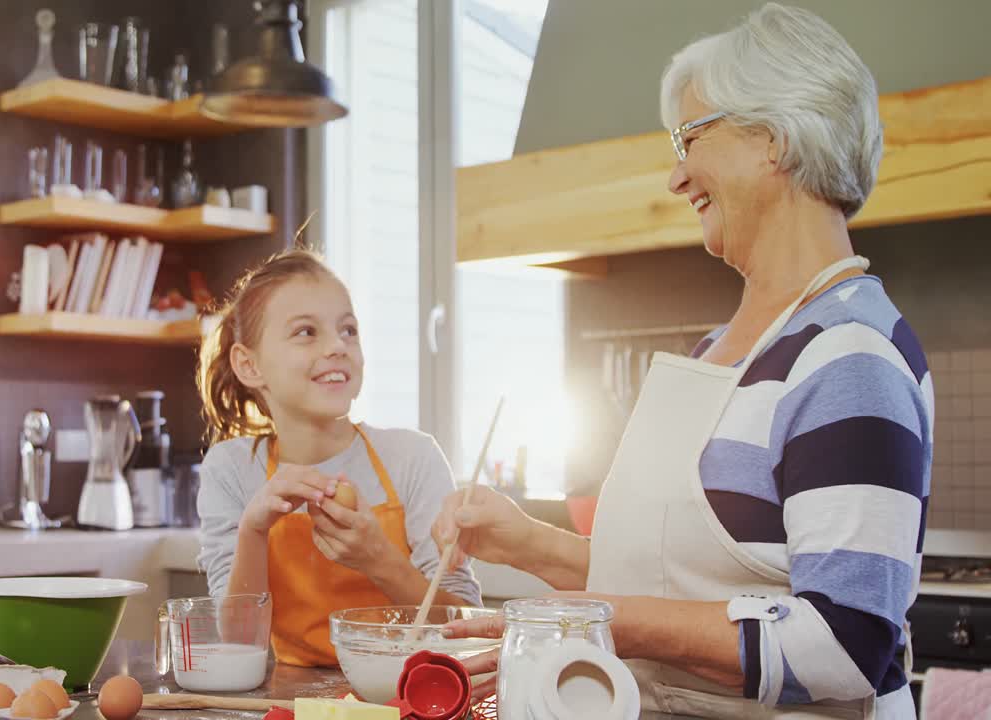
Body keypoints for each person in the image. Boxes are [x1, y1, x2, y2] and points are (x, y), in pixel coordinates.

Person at [434, 4, 930, 718]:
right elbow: (679, 584)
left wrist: (598, 620)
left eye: (689, 137)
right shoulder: (724, 349)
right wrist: (526, 544)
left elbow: (848, 645)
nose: (675, 175)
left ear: (772, 139)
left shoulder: (848, 355)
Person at [195, 249, 482, 667]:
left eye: (348, 330)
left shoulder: (411, 457)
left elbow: (464, 623)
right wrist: (253, 529)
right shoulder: (232, 469)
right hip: (293, 700)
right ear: (249, 364)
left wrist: (379, 561)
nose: (337, 346)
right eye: (306, 332)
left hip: (406, 693)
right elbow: (238, 641)